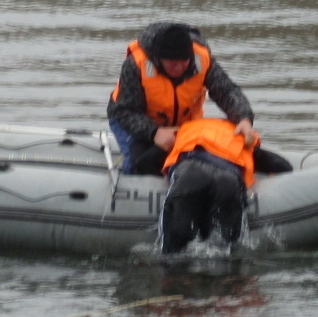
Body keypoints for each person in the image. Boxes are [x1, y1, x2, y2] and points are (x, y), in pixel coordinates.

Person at [106, 21, 256, 177]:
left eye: (184, 62)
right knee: (136, 163)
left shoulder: (201, 59)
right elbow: (124, 111)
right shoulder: (135, 65)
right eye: (172, 63)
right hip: (133, 121)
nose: (178, 68)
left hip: (183, 127)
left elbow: (226, 91)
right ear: (158, 59)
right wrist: (154, 132)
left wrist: (243, 118)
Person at [157, 116, 258, 254]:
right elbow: (280, 164)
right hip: (228, 181)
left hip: (190, 176)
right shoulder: (244, 136)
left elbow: (143, 162)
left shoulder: (186, 132)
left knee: (172, 254)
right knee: (226, 254)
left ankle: (172, 272)